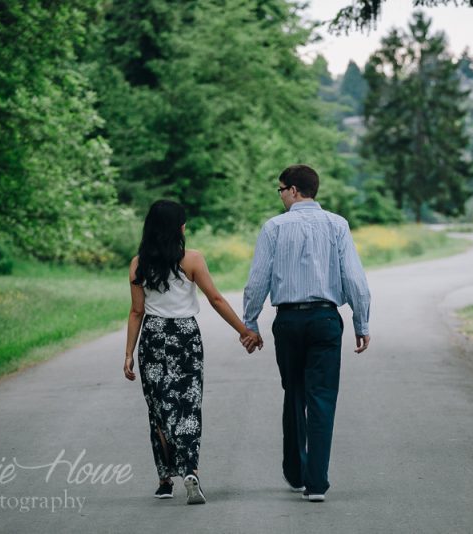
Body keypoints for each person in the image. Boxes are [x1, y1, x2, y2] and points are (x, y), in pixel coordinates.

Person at [242, 164, 371, 503]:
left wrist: (250, 321)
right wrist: (362, 322)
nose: (281, 195)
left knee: (295, 393)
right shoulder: (337, 225)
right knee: (322, 398)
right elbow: (355, 279)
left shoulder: (274, 228)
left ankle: (297, 472)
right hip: (326, 320)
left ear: (295, 191)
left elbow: (258, 280)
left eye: (281, 189)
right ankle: (316, 483)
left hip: (288, 321)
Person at [124, 200, 262, 505]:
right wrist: (244, 331)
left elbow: (136, 311)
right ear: (180, 228)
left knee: (159, 408)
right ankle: (190, 469)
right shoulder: (193, 259)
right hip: (186, 336)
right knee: (187, 404)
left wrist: (129, 354)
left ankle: (164, 481)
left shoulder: (138, 263)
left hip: (154, 336)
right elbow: (215, 298)